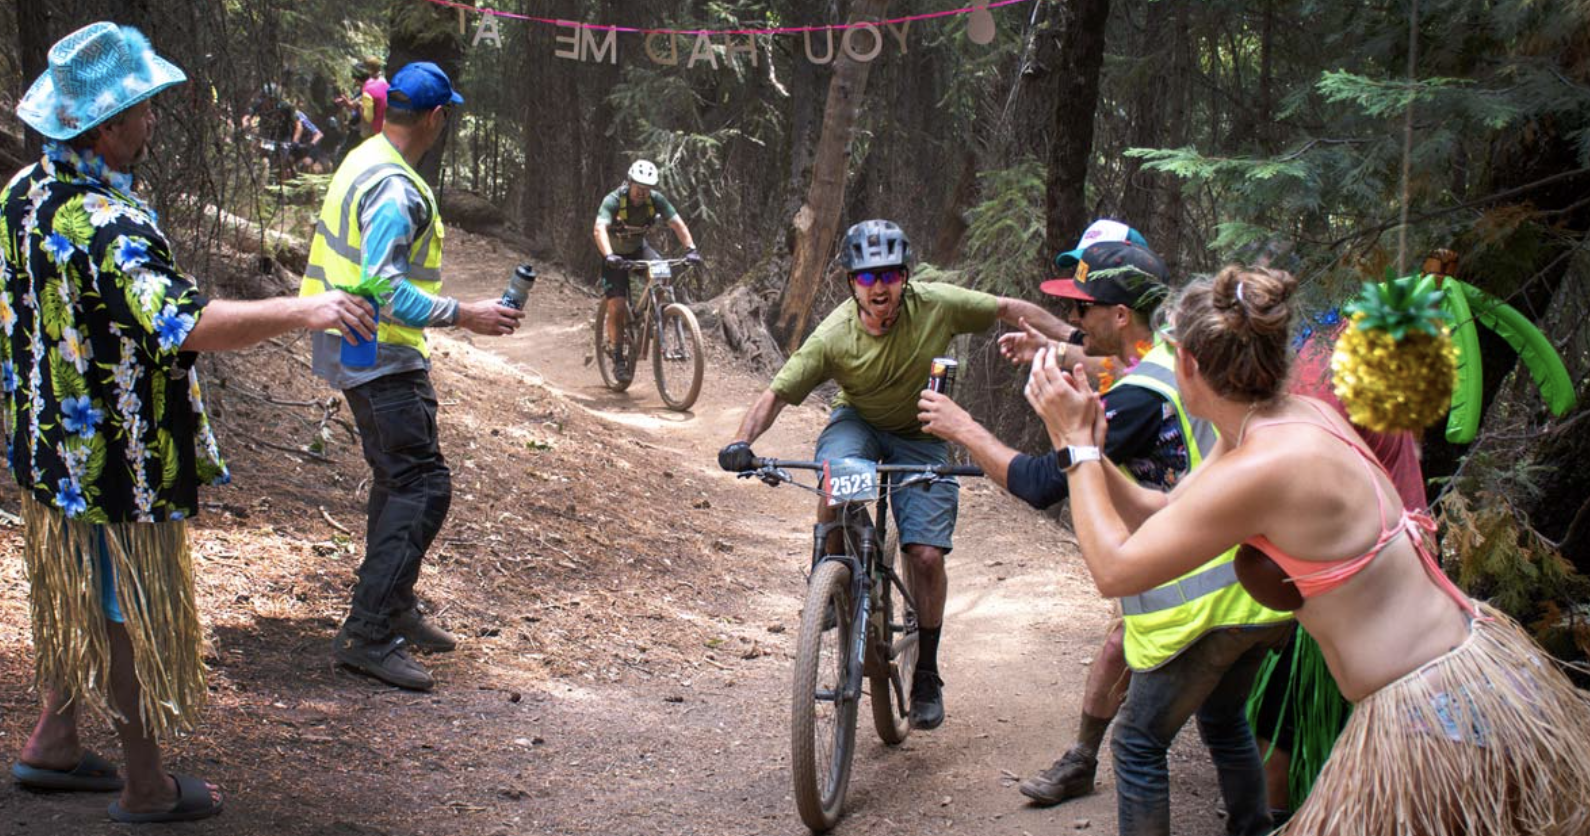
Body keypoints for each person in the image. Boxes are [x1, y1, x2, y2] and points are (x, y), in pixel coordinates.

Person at [1027, 264, 1590, 836]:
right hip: (1453, 681)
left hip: (1430, 713)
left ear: (1189, 364)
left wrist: (1074, 450)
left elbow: (1115, 570)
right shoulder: (1281, 422)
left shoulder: (1267, 466)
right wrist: (1093, 449)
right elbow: (1165, 510)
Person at [3, 22, 376, 823]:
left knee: (77, 585)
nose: (154, 119)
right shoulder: (109, 223)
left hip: (49, 445)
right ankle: (145, 787)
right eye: (144, 107)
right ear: (107, 125)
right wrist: (305, 308)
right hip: (118, 462)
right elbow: (185, 324)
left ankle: (53, 741)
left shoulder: (25, 192)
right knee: (123, 611)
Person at [717, 219, 1078, 730]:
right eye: (867, 277)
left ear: (905, 277)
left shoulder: (935, 304)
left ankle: (926, 672)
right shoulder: (834, 334)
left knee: (925, 555)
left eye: (889, 274)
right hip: (858, 423)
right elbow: (776, 393)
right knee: (836, 481)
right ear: (851, 284)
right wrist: (741, 443)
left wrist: (1075, 338)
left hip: (923, 434)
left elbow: (1005, 307)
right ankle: (829, 577)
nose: (879, 286)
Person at [298, 62, 524, 692]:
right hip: (378, 351)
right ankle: (369, 631)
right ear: (436, 118)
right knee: (423, 487)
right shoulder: (395, 188)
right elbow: (385, 289)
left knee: (401, 480)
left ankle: (392, 606)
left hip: (357, 346)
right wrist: (466, 314)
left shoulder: (365, 156)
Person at [592, 159, 700, 381]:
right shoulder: (614, 200)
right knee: (617, 306)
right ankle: (618, 357)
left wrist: (691, 248)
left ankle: (648, 317)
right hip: (614, 256)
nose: (642, 193)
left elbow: (677, 223)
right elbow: (599, 228)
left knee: (664, 273)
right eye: (639, 187)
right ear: (630, 183)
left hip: (639, 250)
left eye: (647, 189)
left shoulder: (656, 200)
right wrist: (609, 255)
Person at [358, 57, 387, 139]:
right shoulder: (384, 82)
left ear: (368, 70)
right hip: (387, 127)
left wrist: (362, 109)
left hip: (375, 130)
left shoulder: (368, 88)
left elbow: (369, 117)